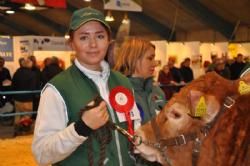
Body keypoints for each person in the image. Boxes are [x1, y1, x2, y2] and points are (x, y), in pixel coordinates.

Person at [32, 7, 141, 166]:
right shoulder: (57, 89)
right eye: (83, 37)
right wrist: (80, 128)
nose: (93, 44)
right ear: (71, 43)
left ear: (108, 41)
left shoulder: (123, 82)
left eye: (100, 36)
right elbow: (42, 154)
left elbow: (135, 131)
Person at [114, 38, 166, 165]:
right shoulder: (118, 93)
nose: (155, 63)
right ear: (134, 59)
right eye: (150, 58)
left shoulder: (157, 92)